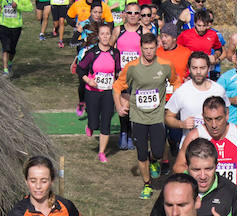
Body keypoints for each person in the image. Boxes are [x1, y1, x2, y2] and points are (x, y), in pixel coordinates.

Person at [113, 32, 181, 199]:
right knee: (141, 153)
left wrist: (174, 103)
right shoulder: (132, 67)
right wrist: (119, 107)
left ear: (156, 47)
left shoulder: (165, 65)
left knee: (157, 152)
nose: (149, 52)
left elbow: (176, 82)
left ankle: (154, 160)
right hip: (138, 117)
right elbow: (116, 87)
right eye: (146, 49)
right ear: (141, 48)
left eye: (152, 48)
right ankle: (147, 185)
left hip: (157, 116)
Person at [171, 95, 237, 193]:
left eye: (218, 118)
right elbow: (178, 167)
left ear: (227, 114)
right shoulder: (194, 136)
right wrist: (198, 176)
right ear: (203, 117)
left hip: (233, 197)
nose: (214, 125)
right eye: (208, 119)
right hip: (204, 197)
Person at [76, 22, 121, 161]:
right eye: (103, 34)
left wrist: (117, 82)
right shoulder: (91, 53)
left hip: (108, 92)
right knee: (95, 123)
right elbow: (80, 69)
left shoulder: (115, 53)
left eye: (108, 34)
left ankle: (102, 152)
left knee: (106, 121)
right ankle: (90, 125)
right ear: (98, 36)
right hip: (92, 91)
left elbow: (118, 71)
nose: (106, 36)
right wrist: (88, 80)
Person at [164, 51, 229, 141]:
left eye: (202, 68)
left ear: (209, 68)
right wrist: (181, 124)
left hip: (214, 145)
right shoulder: (182, 91)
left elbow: (226, 114)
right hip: (190, 146)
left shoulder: (219, 90)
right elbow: (168, 117)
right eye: (194, 68)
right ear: (189, 69)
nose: (198, 72)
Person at [156, 23, 192, 167]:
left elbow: (192, 71)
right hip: (160, 97)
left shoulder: (186, 53)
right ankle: (165, 161)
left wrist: (189, 79)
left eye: (166, 36)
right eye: (161, 36)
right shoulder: (156, 53)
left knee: (175, 132)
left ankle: (173, 142)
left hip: (178, 98)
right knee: (161, 130)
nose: (163, 39)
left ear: (174, 38)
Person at [115, 3, 144, 149]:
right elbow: (111, 50)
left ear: (140, 15)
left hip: (138, 75)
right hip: (122, 75)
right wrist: (116, 68)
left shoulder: (144, 31)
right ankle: (123, 132)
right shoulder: (118, 30)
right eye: (130, 12)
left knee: (135, 106)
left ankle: (132, 134)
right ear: (125, 14)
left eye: (136, 13)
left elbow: (151, 51)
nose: (133, 15)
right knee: (123, 105)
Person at [0, 0, 34, 76]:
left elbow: (30, 8)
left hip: (16, 27)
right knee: (5, 47)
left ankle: (9, 63)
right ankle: (5, 70)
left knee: (12, 49)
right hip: (4, 25)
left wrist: (18, 6)